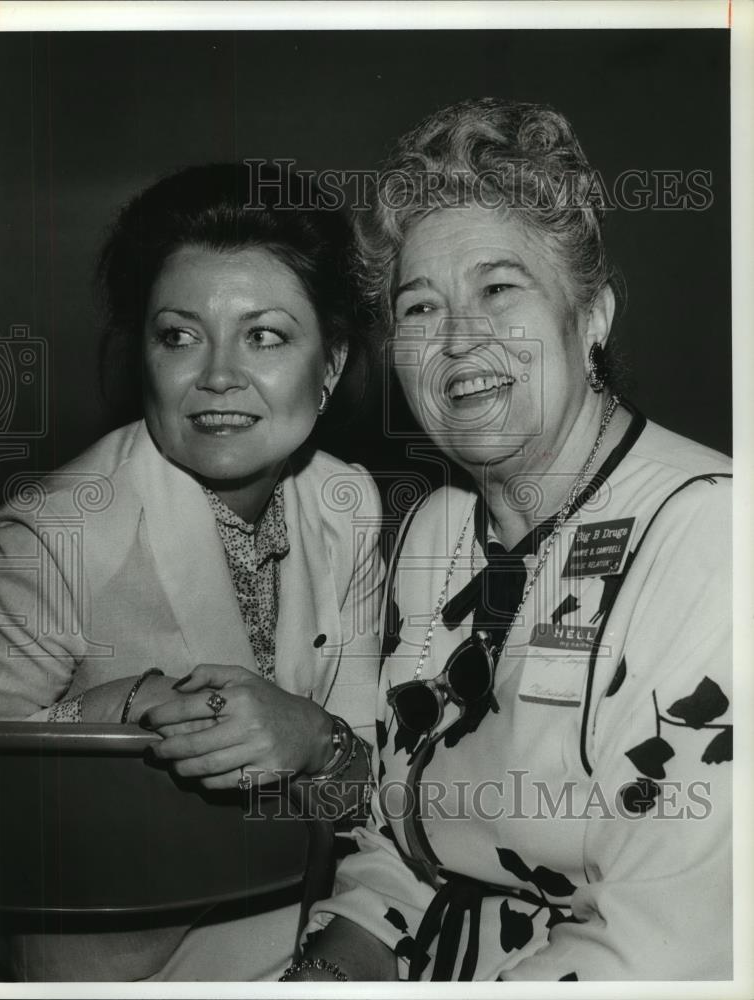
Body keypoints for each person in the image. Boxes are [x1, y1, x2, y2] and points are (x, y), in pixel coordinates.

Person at [284, 98, 732, 983]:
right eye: (419, 307)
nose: (457, 339)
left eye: (497, 289)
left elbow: (671, 945)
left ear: (592, 316)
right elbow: (406, 843)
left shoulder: (713, 538)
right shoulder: (435, 531)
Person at [0, 163, 383, 980]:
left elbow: (368, 786)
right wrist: (122, 710)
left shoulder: (347, 504)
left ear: (334, 362)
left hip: (311, 949)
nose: (216, 376)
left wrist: (318, 738)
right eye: (179, 335)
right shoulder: (57, 532)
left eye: (265, 336)